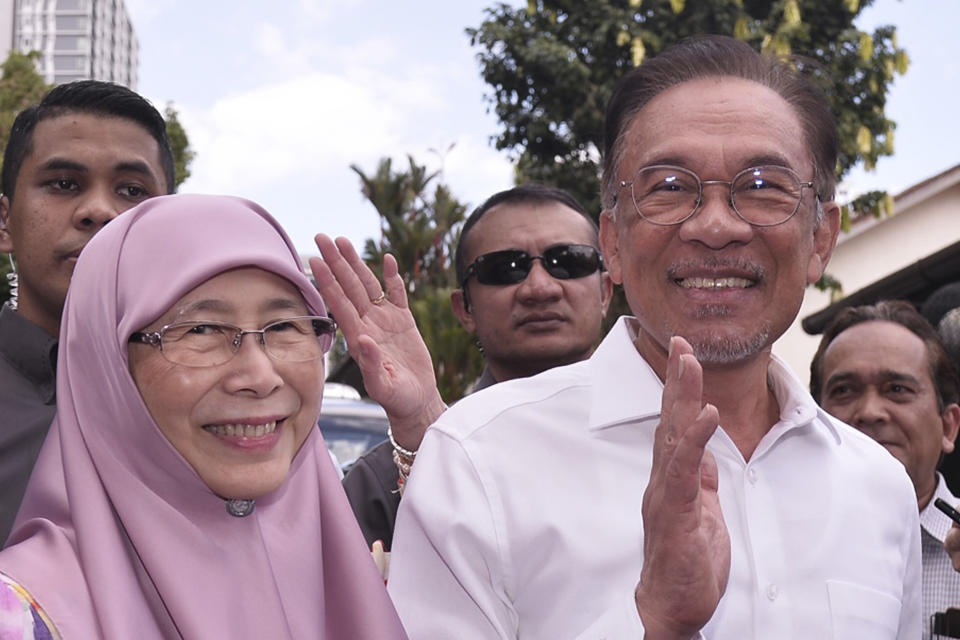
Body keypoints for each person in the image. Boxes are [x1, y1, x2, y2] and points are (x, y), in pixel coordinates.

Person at [386, 35, 921, 639]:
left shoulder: (879, 487)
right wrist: (656, 623)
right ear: (612, 240)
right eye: (669, 187)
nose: (716, 226)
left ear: (821, 237)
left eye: (762, 185)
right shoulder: (478, 461)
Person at [0, 195, 406, 638]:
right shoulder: (27, 616)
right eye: (202, 330)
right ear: (108, 368)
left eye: (286, 326)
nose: (259, 375)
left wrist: (421, 420)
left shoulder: (346, 572)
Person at [324, 183, 612, 550]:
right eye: (505, 269)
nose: (540, 287)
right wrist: (424, 436)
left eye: (569, 261)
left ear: (605, 292)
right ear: (464, 309)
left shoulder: (676, 437)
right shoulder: (388, 479)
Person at [0, 80, 175, 542]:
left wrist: (396, 417)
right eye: (63, 184)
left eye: (132, 190)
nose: (100, 211)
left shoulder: (211, 392)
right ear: (5, 223)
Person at [810, 300, 960, 639]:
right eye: (844, 391)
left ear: (948, 426)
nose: (871, 411)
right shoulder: (776, 549)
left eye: (897, 389)